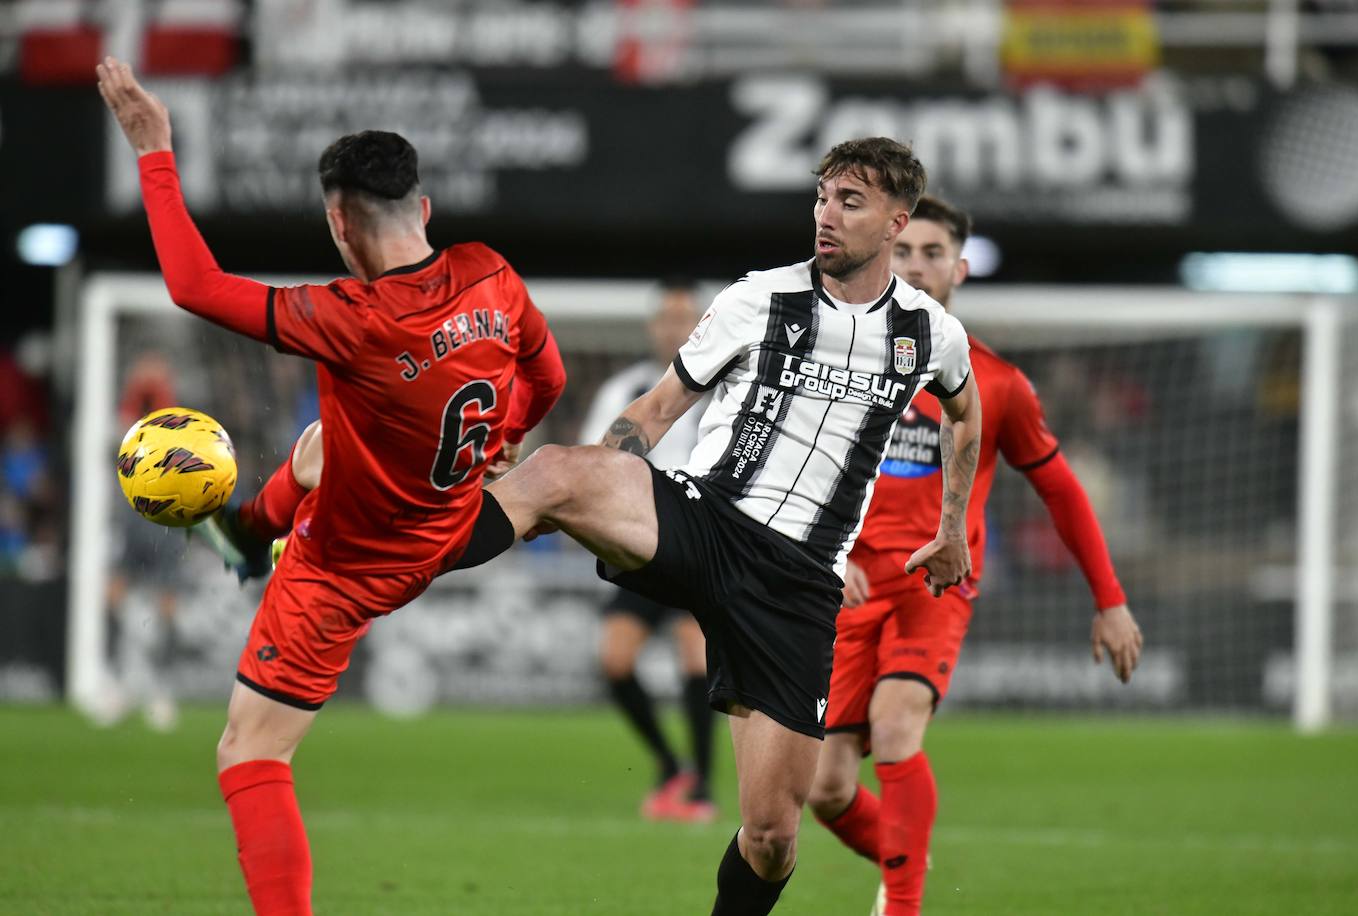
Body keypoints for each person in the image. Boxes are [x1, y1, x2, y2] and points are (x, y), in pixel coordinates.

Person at [97, 57, 567, 916]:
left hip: (346, 569)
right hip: (452, 520)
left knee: (249, 754)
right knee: (324, 444)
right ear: (422, 209)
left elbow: (193, 286)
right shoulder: (492, 274)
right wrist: (503, 437)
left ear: (339, 225)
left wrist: (154, 152)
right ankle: (247, 529)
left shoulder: (349, 320)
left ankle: (245, 537)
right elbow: (551, 376)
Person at [474, 137, 982, 916]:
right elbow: (653, 412)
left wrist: (952, 528)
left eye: (849, 202)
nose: (826, 215)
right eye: (821, 197)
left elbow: (965, 414)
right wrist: (591, 498)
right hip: (708, 521)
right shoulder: (758, 299)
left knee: (774, 835)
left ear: (895, 221)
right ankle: (388, 554)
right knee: (551, 473)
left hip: (799, 584)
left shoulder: (929, 333)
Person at [805, 196, 1145, 916]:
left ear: (959, 269)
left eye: (934, 254)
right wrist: (825, 557)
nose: (918, 267)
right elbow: (800, 474)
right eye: (905, 252)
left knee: (898, 726)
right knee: (826, 789)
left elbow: (1060, 491)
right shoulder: (837, 362)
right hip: (848, 589)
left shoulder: (995, 382)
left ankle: (902, 905)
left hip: (934, 587)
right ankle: (904, 852)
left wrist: (1108, 599)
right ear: (882, 256)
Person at [579, 282, 717, 822]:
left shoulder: (725, 387)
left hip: (699, 546)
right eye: (665, 318)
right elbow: (594, 462)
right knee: (614, 660)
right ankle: (668, 764)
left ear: (701, 325)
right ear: (652, 326)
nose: (673, 327)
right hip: (639, 547)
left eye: (684, 317)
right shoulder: (625, 391)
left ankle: (703, 787)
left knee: (695, 656)